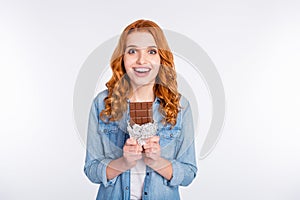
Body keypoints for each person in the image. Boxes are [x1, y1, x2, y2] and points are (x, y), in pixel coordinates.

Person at [84, 19, 197, 200]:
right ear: (122, 58)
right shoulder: (102, 104)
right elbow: (91, 169)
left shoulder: (179, 107)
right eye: (132, 51)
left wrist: (157, 162)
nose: (141, 60)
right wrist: (124, 162)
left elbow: (189, 172)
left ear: (161, 57)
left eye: (151, 51)